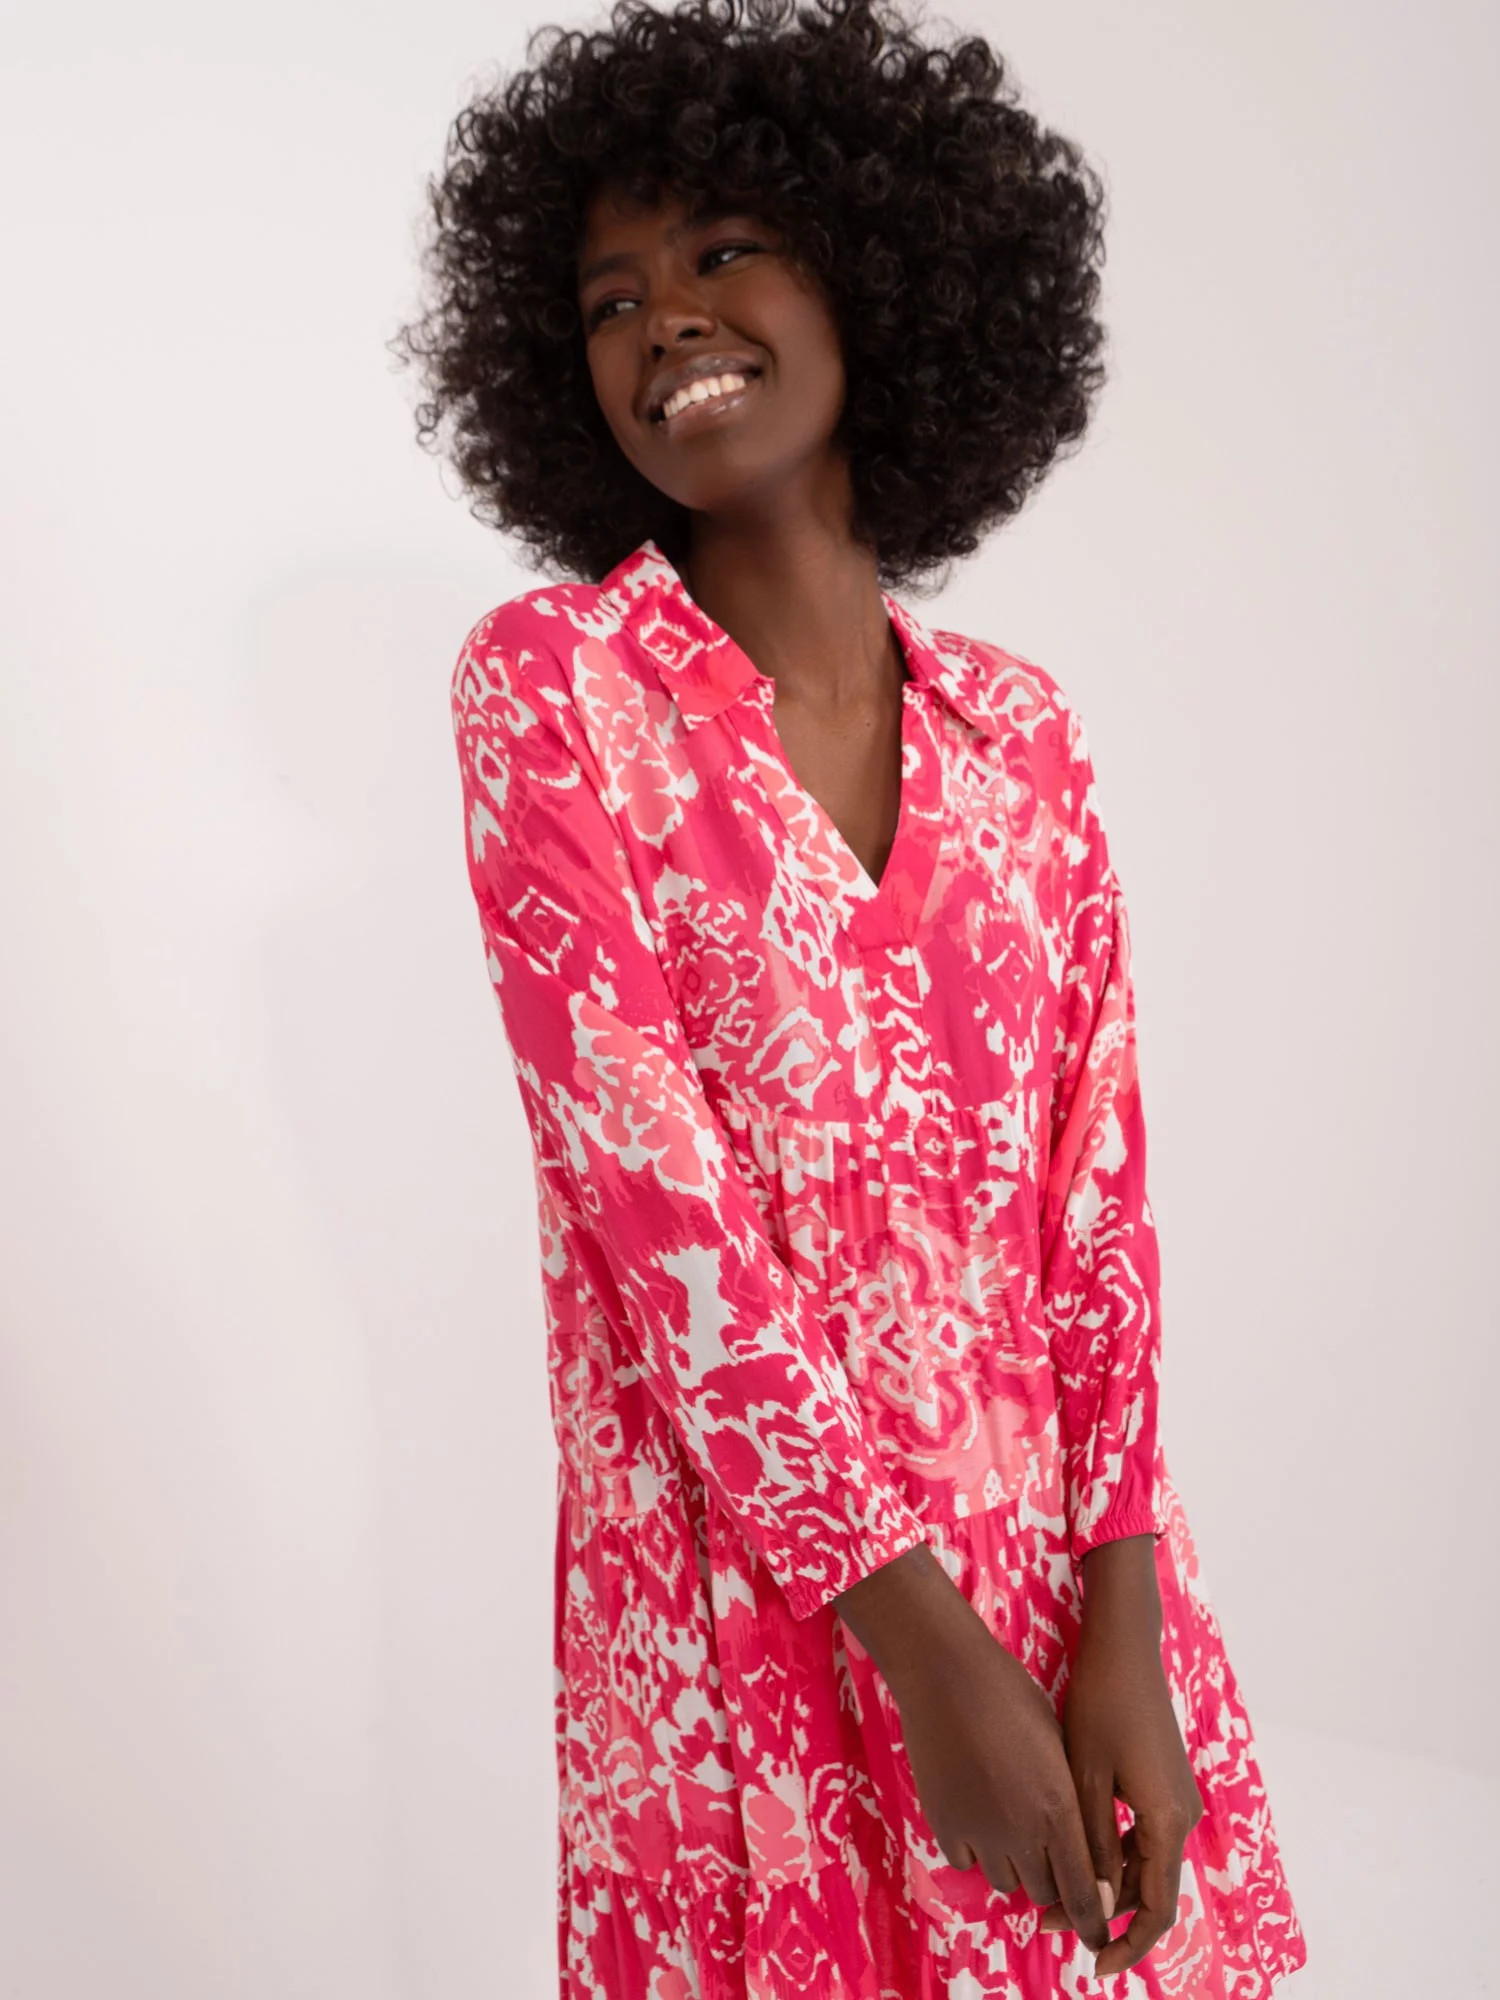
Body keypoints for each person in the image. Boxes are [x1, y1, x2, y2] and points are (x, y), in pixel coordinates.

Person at [395, 0, 1308, 1992]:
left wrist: (1125, 1627)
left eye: (722, 250)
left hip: (1047, 1581)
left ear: (876, 276)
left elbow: (1097, 1209)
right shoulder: (557, 693)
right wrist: (926, 1653)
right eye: (609, 298)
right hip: (749, 1597)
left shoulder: (1025, 739)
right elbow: (661, 1218)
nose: (665, 320)